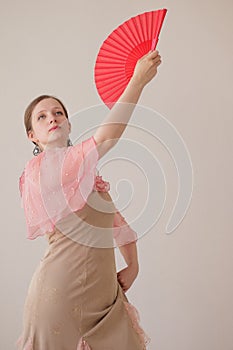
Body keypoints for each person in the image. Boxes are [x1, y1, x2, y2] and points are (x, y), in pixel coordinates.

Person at [16, 50, 162, 350]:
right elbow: (107, 138)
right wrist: (137, 82)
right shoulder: (41, 169)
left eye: (58, 113)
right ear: (33, 137)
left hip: (103, 297)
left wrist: (133, 264)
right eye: (42, 117)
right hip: (59, 296)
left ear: (69, 125)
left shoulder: (85, 174)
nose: (52, 118)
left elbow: (117, 224)